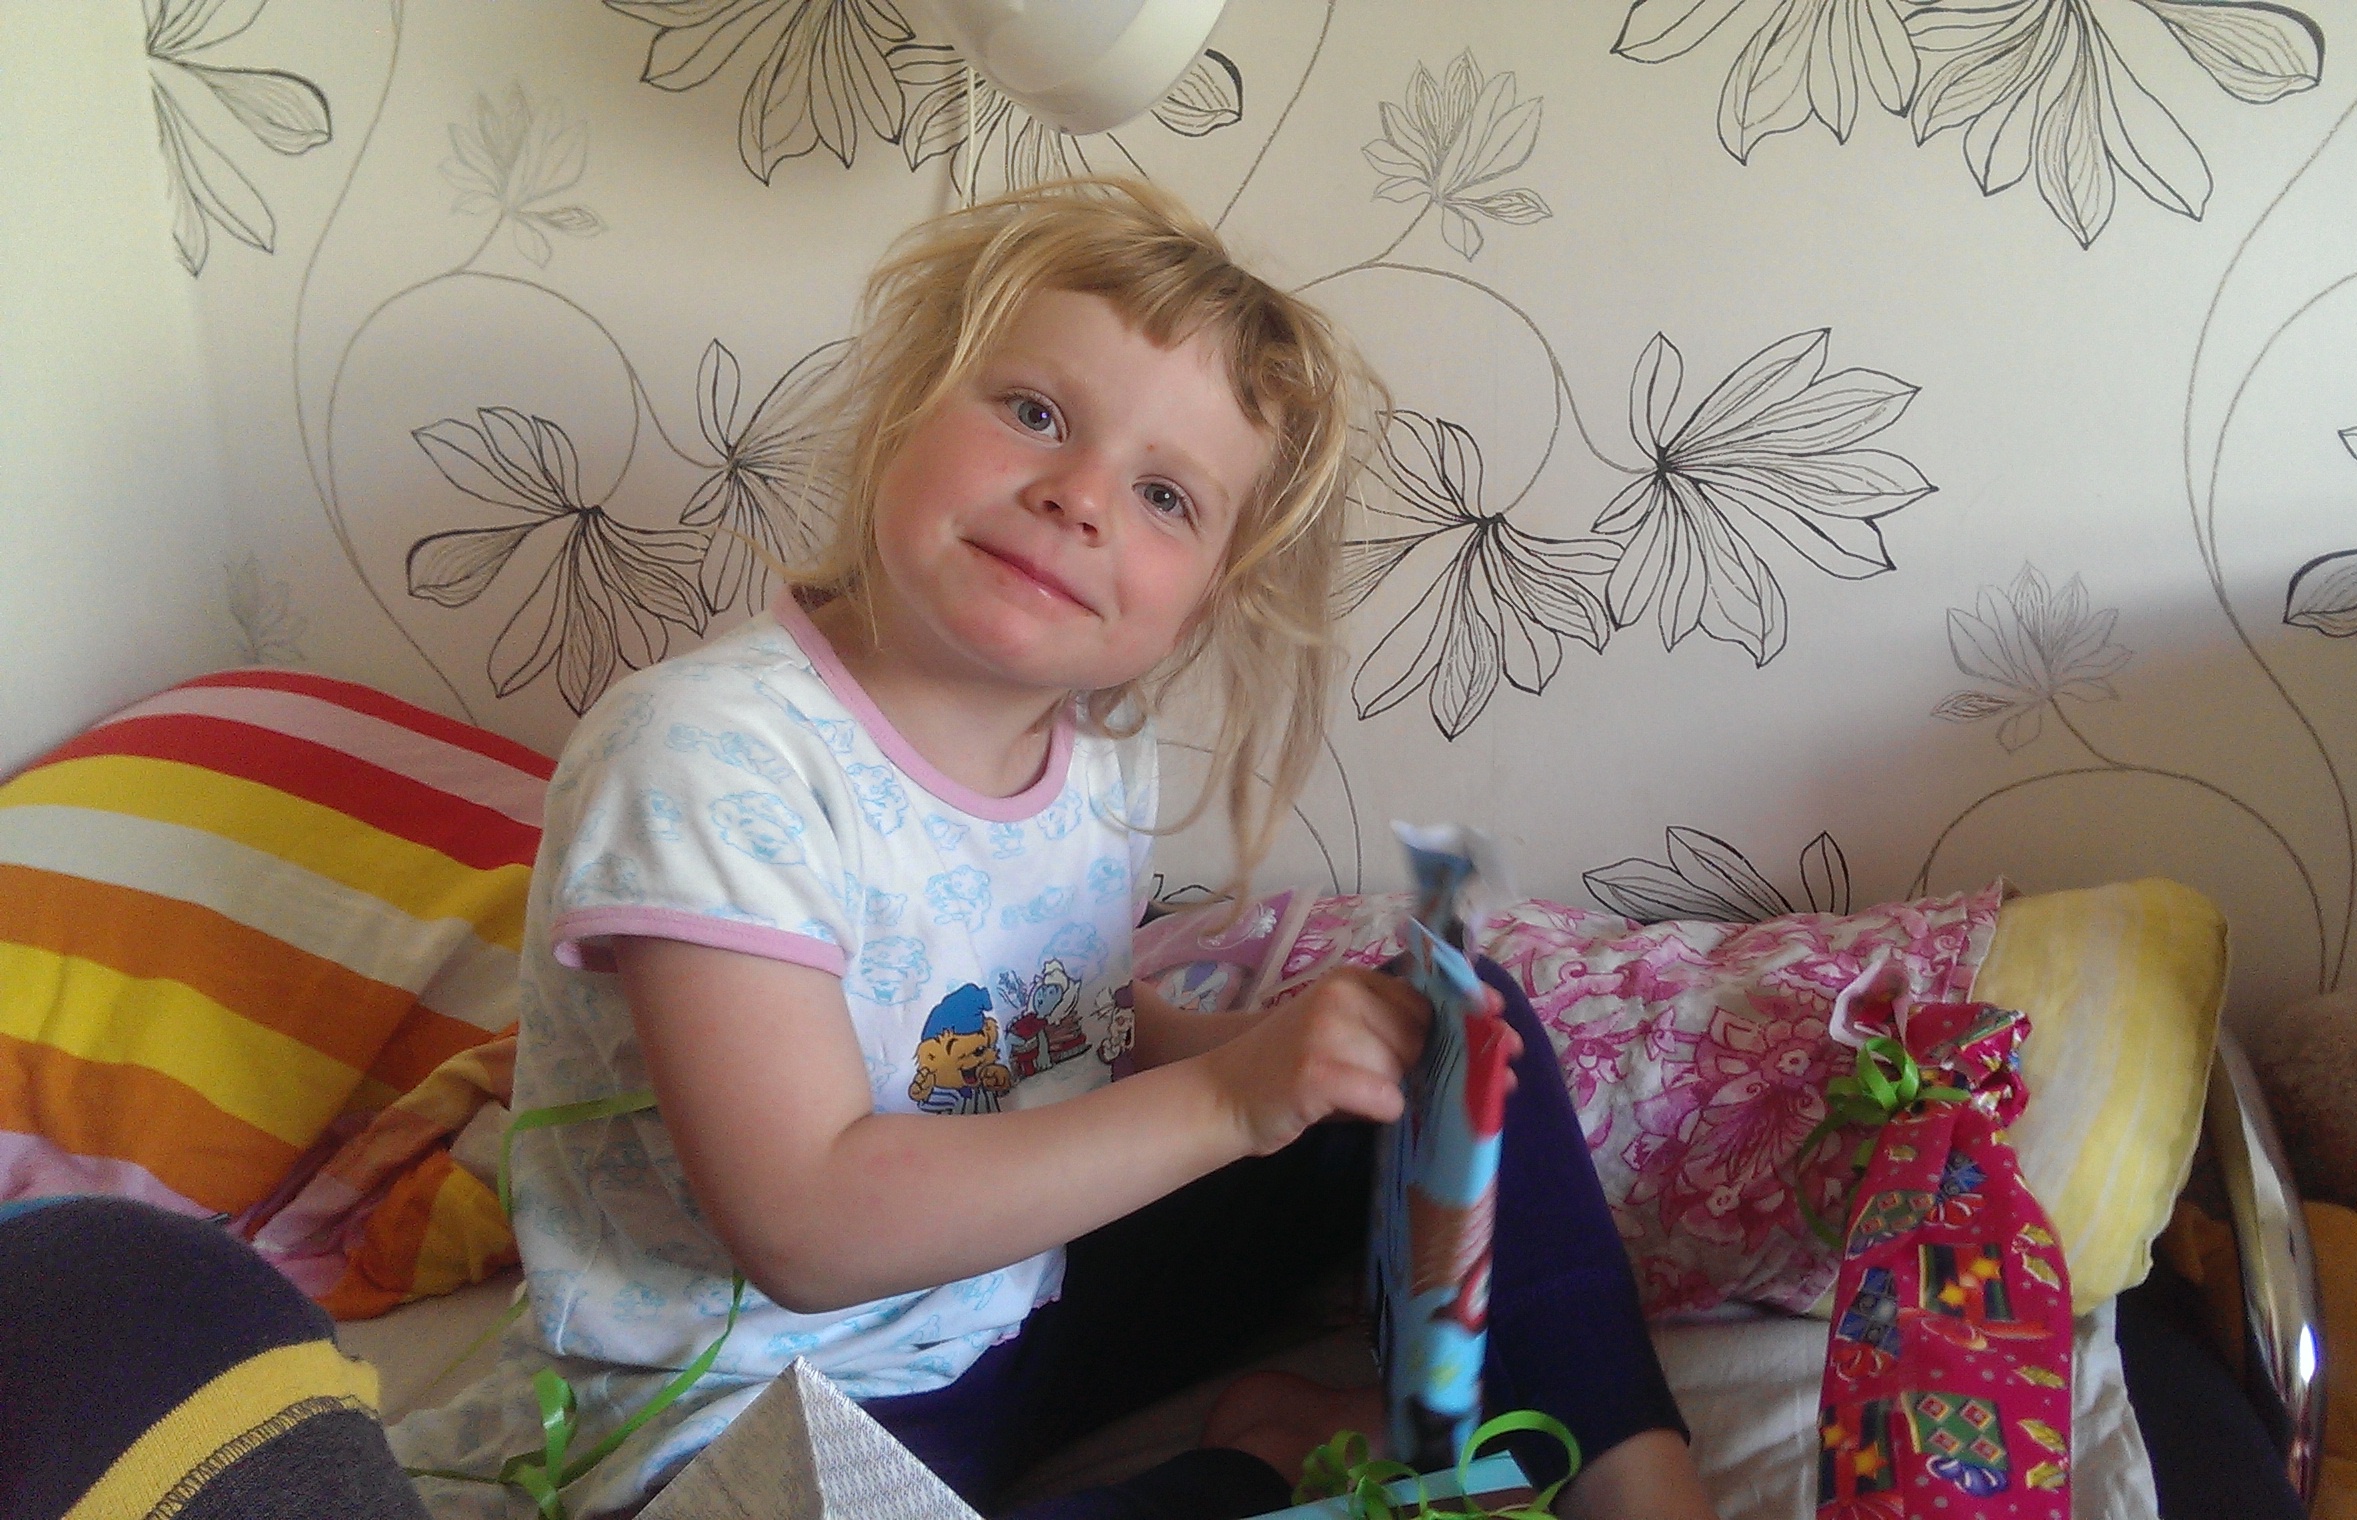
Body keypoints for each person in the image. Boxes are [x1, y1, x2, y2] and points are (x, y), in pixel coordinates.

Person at [392, 174, 1715, 1520]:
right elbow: (806, 1224)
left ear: (1206, 599)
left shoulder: (1093, 761)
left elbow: (1059, 1030)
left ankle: (1642, 1485)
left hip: (1015, 1310)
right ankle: (1262, 1458)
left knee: (1449, 1038)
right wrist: (1227, 1100)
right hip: (743, 1416)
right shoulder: (707, 754)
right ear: (903, 405)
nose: (1082, 497)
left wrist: (1272, 1057)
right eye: (1033, 413)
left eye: (1166, 496)